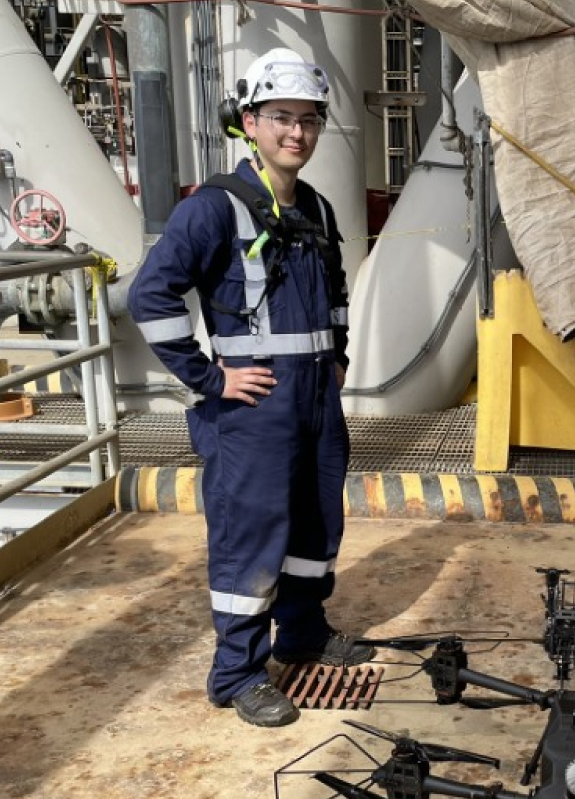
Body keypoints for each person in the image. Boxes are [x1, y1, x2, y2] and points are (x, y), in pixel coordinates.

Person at [129, 47, 372, 728]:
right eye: (281, 118)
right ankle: (236, 672)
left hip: (318, 402)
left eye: (308, 120)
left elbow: (339, 295)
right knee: (252, 534)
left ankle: (302, 632)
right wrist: (209, 378)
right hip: (255, 408)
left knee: (316, 524)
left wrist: (340, 355)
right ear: (249, 121)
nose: (297, 133)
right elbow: (149, 296)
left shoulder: (318, 210)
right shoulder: (212, 209)